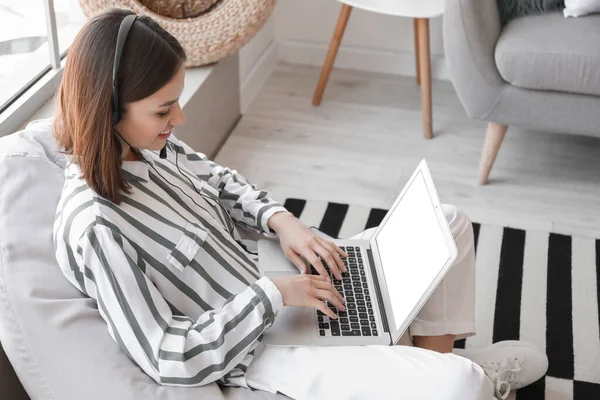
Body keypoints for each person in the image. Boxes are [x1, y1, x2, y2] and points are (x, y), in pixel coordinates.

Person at [52, 8, 548, 400]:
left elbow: (222, 181)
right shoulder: (96, 226)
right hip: (263, 346)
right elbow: (167, 354)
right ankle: (462, 376)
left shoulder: (148, 145)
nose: (179, 117)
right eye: (164, 108)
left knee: (448, 225)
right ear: (107, 107)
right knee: (463, 389)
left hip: (281, 285)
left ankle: (432, 364)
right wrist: (273, 294)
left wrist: (281, 220)